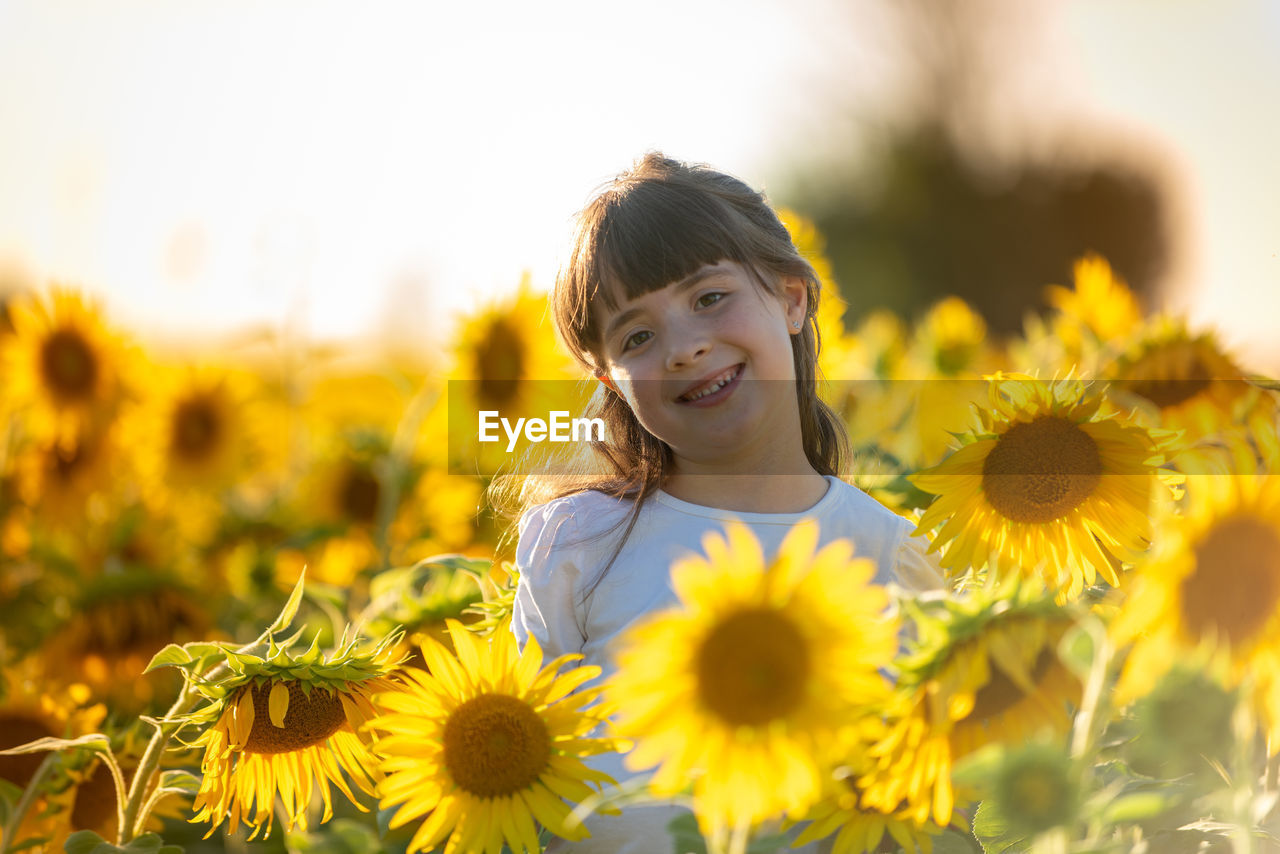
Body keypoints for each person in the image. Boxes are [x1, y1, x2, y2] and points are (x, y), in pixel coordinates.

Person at [504, 152, 945, 853]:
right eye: (638, 336)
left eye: (709, 298)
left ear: (792, 297)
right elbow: (520, 788)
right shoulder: (579, 545)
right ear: (610, 382)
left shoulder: (890, 555)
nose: (684, 348)